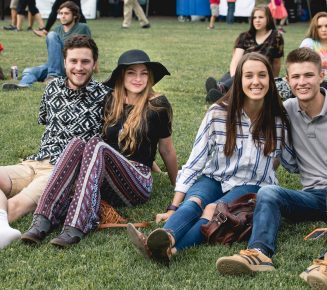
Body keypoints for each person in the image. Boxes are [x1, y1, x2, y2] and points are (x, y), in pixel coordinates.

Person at [216, 48, 327, 290]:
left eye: (308, 75)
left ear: (321, 76)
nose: (302, 82)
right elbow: (276, 149)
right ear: (288, 80)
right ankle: (258, 253)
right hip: (311, 196)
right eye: (296, 77)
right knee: (269, 192)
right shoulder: (287, 111)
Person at [127, 52, 298, 266]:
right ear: (239, 80)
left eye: (262, 75)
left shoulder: (278, 119)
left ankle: (171, 251)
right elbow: (195, 162)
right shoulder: (218, 113)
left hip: (251, 184)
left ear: (270, 81)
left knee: (212, 210)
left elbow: (291, 161)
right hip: (215, 177)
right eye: (249, 76)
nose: (256, 81)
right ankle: (166, 236)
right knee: (194, 202)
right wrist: (173, 206)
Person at [20, 49, 178, 247]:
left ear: (150, 76)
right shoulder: (112, 100)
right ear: (122, 75)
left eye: (143, 73)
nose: (138, 79)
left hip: (138, 181)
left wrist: (178, 188)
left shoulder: (158, 106)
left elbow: (167, 150)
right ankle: (43, 218)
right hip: (107, 180)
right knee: (78, 142)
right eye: (131, 73)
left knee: (96, 144)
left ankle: (78, 224)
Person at [0, 35, 110, 250]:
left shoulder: (106, 97)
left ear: (94, 64)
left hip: (62, 172)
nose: (79, 67)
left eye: (85, 62)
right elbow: (46, 121)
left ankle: (4, 230)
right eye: (73, 61)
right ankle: (2, 227)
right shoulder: (51, 89)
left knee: (15, 206)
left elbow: (119, 142)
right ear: (64, 62)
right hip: (35, 162)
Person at [2, 1, 91, 91]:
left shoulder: (82, 28)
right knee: (29, 71)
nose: (63, 16)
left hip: (70, 65)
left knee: (51, 35)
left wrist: (93, 66)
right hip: (55, 65)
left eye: (66, 13)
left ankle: (54, 77)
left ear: (74, 15)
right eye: (61, 14)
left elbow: (90, 49)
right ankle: (23, 85)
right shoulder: (58, 29)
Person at [205, 5, 284, 103]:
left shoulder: (276, 37)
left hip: (260, 74)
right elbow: (236, 60)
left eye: (261, 17)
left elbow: (276, 62)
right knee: (231, 76)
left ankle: (220, 91)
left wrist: (273, 80)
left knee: (237, 79)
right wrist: (236, 78)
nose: (257, 20)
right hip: (241, 71)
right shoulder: (245, 36)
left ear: (268, 18)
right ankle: (220, 91)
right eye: (254, 17)